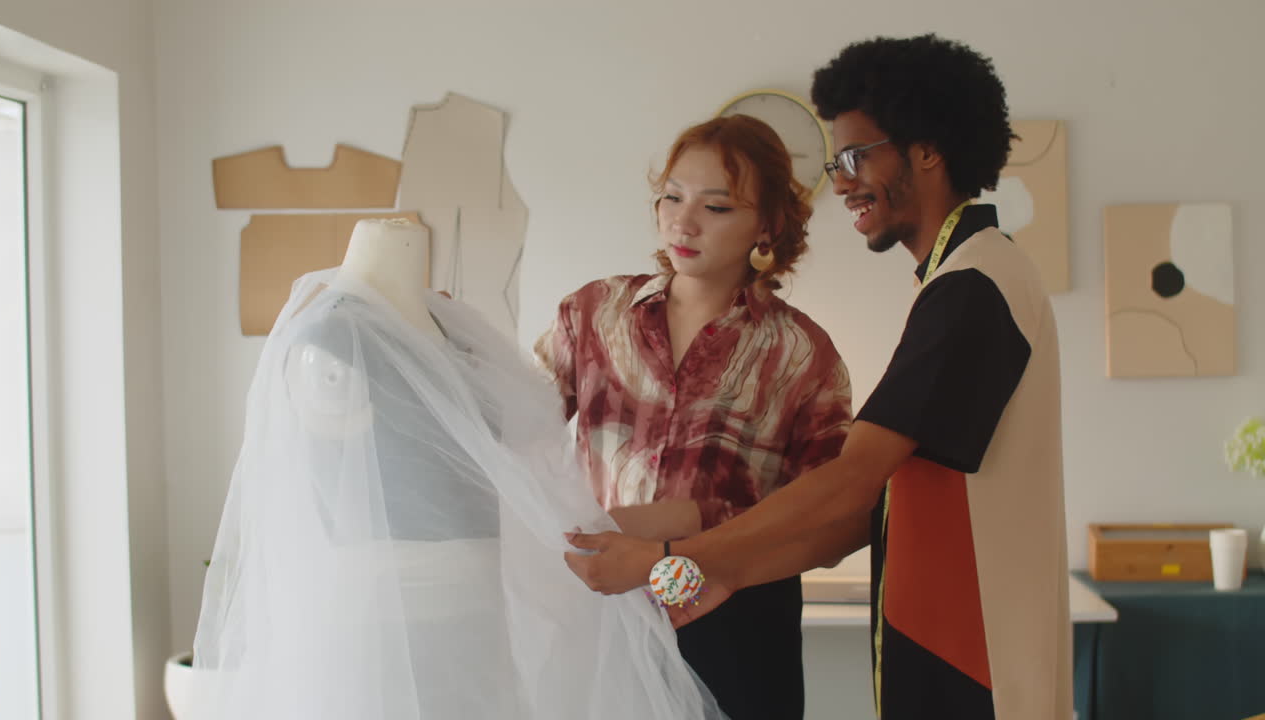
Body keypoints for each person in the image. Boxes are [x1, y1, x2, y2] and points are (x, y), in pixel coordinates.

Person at [565, 35, 1072, 720]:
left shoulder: (972, 287)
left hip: (965, 642)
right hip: (946, 627)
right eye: (836, 161)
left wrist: (672, 558)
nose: (839, 181)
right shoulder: (970, 278)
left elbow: (850, 486)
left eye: (857, 157)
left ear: (926, 151)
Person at [192, 218, 726, 720]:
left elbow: (519, 451)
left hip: (479, 616)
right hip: (384, 622)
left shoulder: (453, 331)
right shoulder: (330, 341)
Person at [536, 114, 853, 720]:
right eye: (672, 197)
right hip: (611, 612)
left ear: (768, 224)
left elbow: (833, 518)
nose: (683, 221)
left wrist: (687, 545)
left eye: (717, 207)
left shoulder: (801, 352)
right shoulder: (594, 314)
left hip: (735, 623)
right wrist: (449, 349)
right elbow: (514, 422)